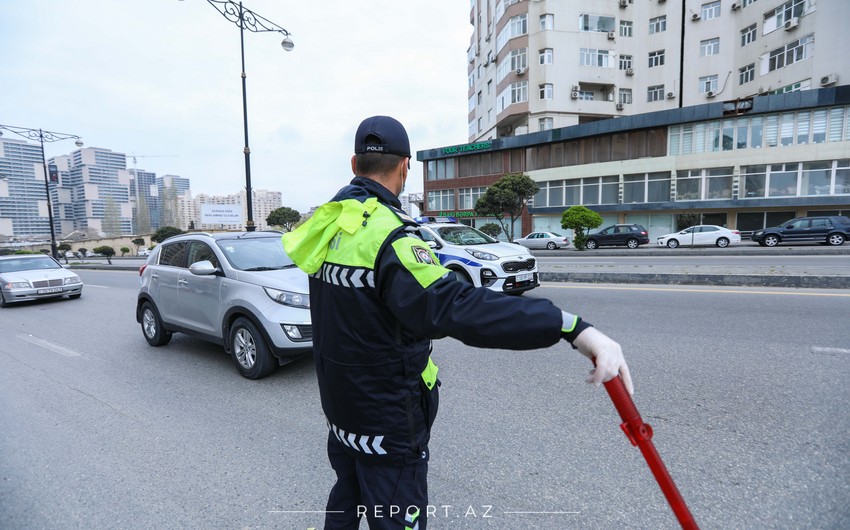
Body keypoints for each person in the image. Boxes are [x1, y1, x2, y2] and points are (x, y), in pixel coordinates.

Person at [282, 115, 633, 530]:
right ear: (405, 167)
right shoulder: (391, 237)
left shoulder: (328, 226)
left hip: (342, 414)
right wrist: (568, 325)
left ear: (354, 165)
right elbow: (456, 306)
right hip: (386, 420)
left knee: (346, 502)